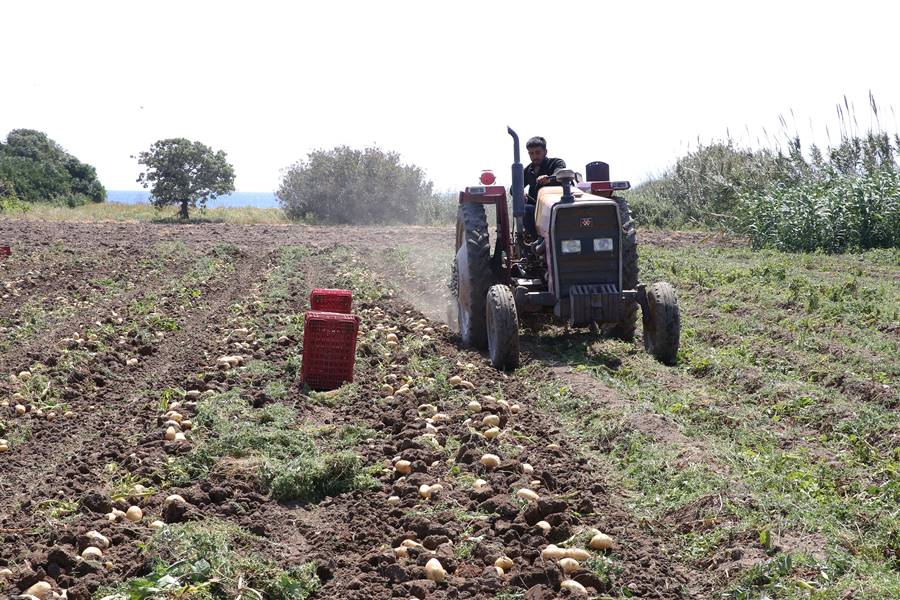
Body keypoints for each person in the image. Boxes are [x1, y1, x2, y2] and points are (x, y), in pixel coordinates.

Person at [523, 136, 566, 237]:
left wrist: (549, 179)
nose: (534, 156)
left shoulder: (556, 163)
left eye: (538, 152)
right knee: (525, 209)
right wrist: (520, 191)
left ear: (545, 152)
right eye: (531, 153)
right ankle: (536, 243)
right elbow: (514, 187)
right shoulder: (527, 171)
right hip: (536, 208)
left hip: (556, 205)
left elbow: (559, 173)